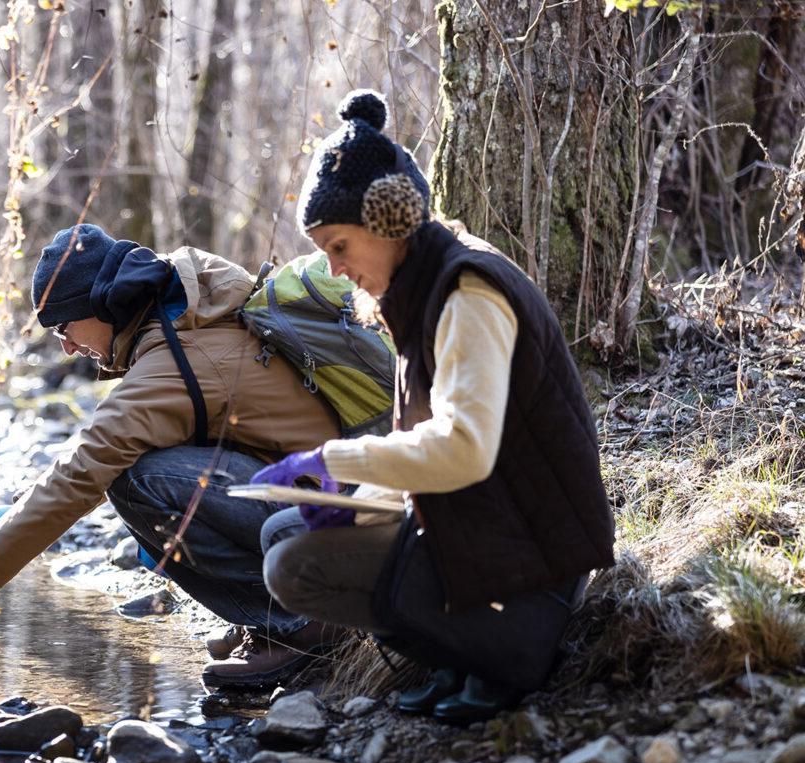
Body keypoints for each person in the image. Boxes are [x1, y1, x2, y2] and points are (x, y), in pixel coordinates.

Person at [254, 89, 615, 723]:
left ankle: (500, 651)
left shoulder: (467, 293)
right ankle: (453, 650)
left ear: (389, 220)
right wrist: (349, 503)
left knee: (293, 566)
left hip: (534, 560)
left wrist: (337, 459)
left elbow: (463, 451)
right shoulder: (418, 294)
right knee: (282, 529)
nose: (334, 270)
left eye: (338, 246)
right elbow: (428, 451)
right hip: (482, 526)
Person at [0, 223, 351, 688]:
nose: (67, 346)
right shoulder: (187, 320)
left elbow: (86, 470)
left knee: (134, 482)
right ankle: (267, 617)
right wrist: (2, 517)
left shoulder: (178, 359)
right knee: (142, 503)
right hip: (324, 502)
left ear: (104, 304)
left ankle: (300, 624)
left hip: (330, 523)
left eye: (65, 327)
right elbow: (99, 454)